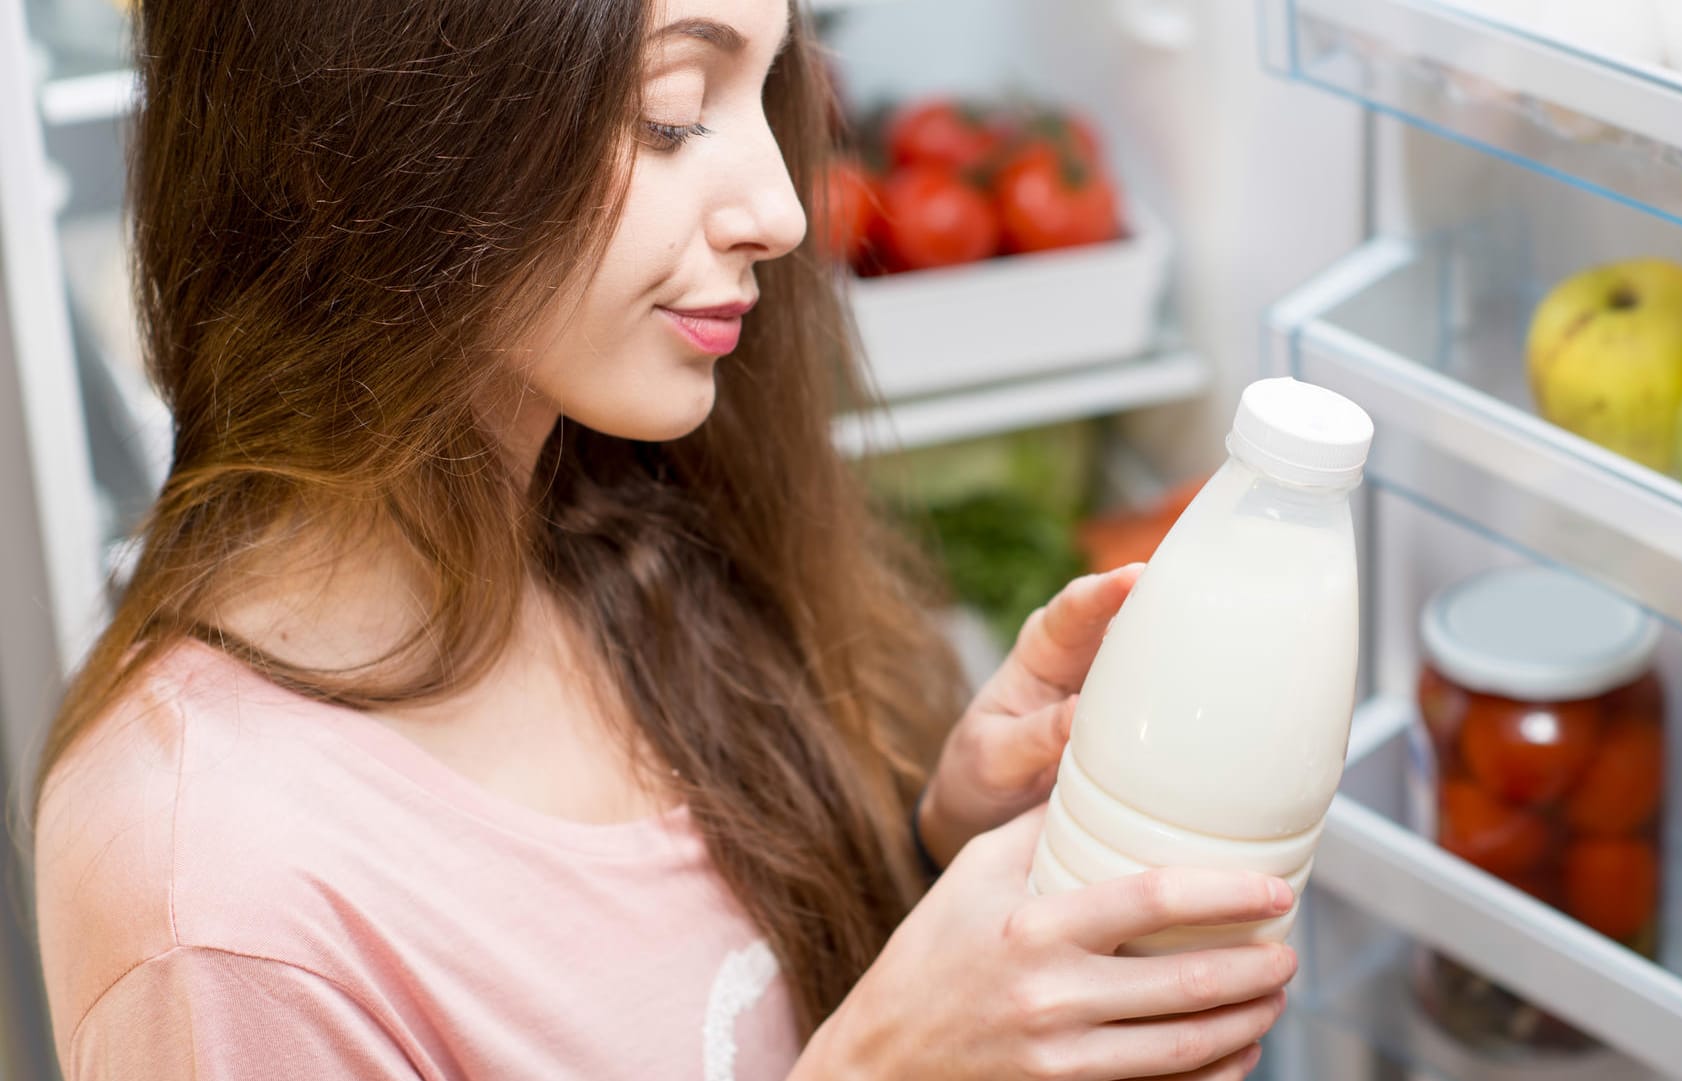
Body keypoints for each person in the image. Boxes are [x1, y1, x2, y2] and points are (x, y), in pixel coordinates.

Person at [31, 1, 1297, 1077]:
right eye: (674, 111)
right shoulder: (212, 904)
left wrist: (938, 857)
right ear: (373, 124)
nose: (785, 212)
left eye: (771, 90)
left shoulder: (600, 523)